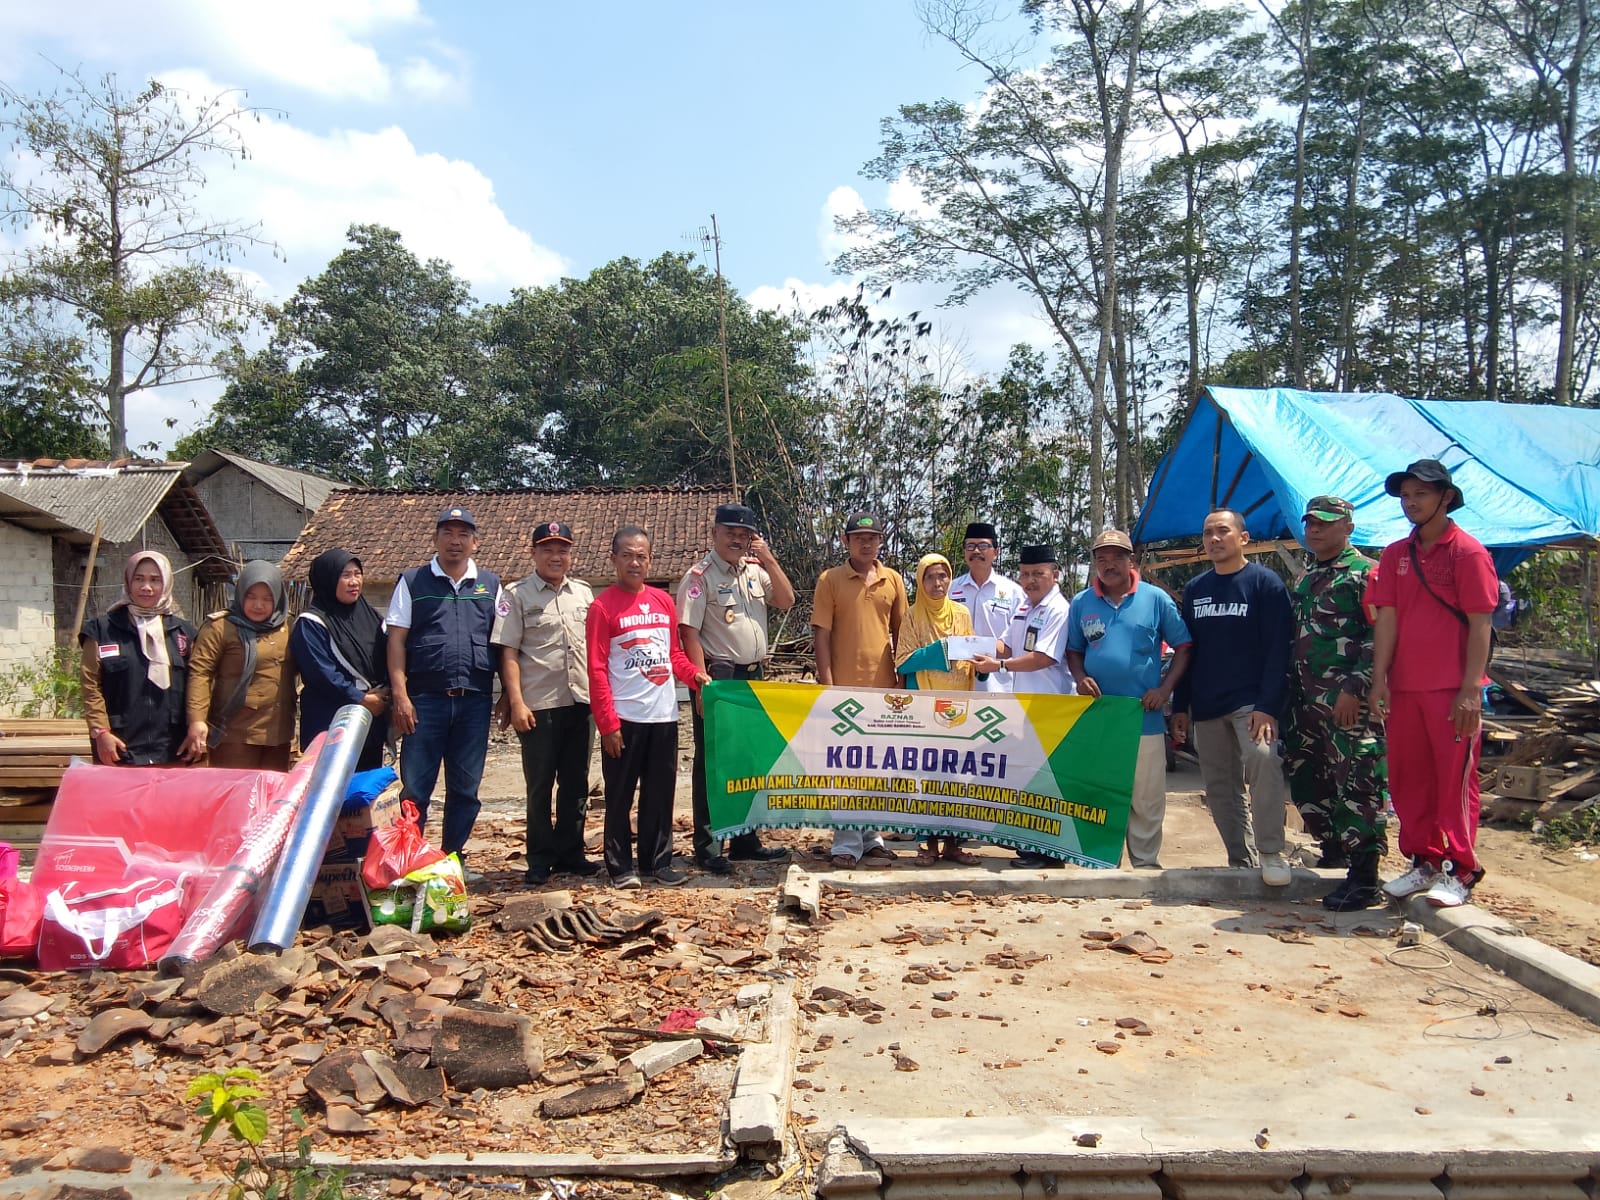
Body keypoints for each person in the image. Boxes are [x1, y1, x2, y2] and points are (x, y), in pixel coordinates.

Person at [1367, 460, 1498, 908]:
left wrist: (1470, 689)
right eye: (1405, 495)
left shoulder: (1468, 552)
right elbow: (1387, 617)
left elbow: (1481, 624)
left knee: (1454, 781)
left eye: (1421, 493)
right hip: (1404, 687)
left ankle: (1461, 869)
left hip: (1449, 689)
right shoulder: (1394, 554)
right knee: (1407, 778)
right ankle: (1424, 860)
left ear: (1446, 496)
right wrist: (1379, 680)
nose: (1411, 502)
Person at [1170, 509, 1294, 885]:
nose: (1214, 539)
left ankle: (1271, 853)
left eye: (1223, 531)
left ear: (1243, 537)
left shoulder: (1265, 584)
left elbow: (1279, 651)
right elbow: (1188, 651)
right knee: (1220, 784)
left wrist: (1268, 707)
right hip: (1207, 706)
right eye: (1208, 532)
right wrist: (1181, 707)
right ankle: (1240, 860)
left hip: (1251, 704)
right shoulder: (1195, 590)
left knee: (1262, 760)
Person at [587, 526, 710, 889]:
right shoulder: (602, 607)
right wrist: (608, 724)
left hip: (663, 716)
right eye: (627, 555)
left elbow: (673, 654)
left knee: (659, 794)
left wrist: (694, 676)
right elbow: (596, 668)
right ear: (614, 560)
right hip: (625, 718)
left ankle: (658, 862)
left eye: (641, 555)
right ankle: (620, 866)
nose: (635, 562)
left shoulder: (662, 601)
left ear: (650, 560)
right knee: (619, 797)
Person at [1284, 496, 1390, 911]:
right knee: (1310, 781)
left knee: (1357, 785)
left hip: (1348, 702)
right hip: (1305, 702)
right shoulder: (1308, 576)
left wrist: (1356, 687)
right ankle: (1335, 856)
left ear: (1347, 527)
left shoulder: (1366, 574)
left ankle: (1365, 878)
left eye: (1325, 524)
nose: (1315, 530)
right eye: (1310, 523)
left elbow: (1380, 636)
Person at [677, 503, 795, 875]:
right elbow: (688, 631)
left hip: (754, 678)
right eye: (730, 533)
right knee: (714, 763)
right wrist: (698, 682)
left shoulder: (755, 572)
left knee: (750, 762)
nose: (738, 540)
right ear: (714, 534)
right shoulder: (700, 577)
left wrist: (769, 559)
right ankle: (709, 844)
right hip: (720, 678)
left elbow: (787, 600)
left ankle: (746, 840)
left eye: (744, 535)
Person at [1065, 530, 1192, 869]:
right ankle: (1100, 860)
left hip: (1143, 715)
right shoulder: (1081, 603)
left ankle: (1146, 863)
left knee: (1146, 796)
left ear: (1130, 560)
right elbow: (1073, 652)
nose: (1109, 565)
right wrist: (1080, 678)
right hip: (1099, 716)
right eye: (1101, 559)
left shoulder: (1155, 599)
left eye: (1116, 557)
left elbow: (1183, 648)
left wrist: (1165, 690)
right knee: (1098, 792)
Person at [387, 506, 502, 881]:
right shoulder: (413, 582)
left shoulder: (490, 585)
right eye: (448, 533)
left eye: (463, 534)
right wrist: (401, 696)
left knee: (465, 788)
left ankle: (453, 859)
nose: (456, 541)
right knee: (416, 787)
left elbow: (502, 643)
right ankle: (409, 861)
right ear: (435, 538)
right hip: (425, 702)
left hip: (475, 700)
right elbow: (397, 641)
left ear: (475, 542)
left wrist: (505, 694)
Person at [493, 520, 600, 885]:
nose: (556, 556)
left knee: (576, 782)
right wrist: (517, 702)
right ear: (534, 553)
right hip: (539, 704)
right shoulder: (517, 595)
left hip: (580, 701)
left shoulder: (584, 594)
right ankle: (539, 856)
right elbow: (508, 653)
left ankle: (571, 852)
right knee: (539, 784)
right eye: (548, 549)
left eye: (563, 550)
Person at [812, 512, 908, 869]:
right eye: (859, 537)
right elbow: (821, 632)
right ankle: (847, 843)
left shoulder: (893, 580)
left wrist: (902, 680)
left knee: (878, 767)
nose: (866, 543)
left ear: (881, 541)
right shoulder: (831, 580)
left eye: (873, 537)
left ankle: (872, 838)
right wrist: (827, 682)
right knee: (846, 766)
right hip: (844, 690)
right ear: (845, 540)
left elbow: (902, 634)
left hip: (884, 690)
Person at [973, 544, 1076, 867]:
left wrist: (999, 668)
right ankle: (1034, 846)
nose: (1031, 581)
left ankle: (1050, 853)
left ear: (1054, 575)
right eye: (1026, 574)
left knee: (1046, 780)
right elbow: (1007, 645)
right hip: (1025, 708)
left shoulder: (1058, 609)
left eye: (1038, 574)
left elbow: (1044, 657)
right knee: (1031, 777)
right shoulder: (1024, 608)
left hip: (1051, 707)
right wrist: (965, 645)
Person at [895, 552, 979, 865]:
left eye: (943, 575)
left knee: (957, 773)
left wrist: (980, 664)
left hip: (959, 703)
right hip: (926, 702)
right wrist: (939, 651)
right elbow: (902, 660)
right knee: (927, 773)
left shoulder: (961, 614)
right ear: (920, 581)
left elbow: (972, 653)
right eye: (930, 577)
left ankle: (954, 844)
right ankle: (928, 843)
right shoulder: (913, 616)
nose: (938, 583)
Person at [80, 550, 199, 767]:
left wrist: (196, 726)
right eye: (139, 579)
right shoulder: (102, 629)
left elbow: (199, 686)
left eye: (155, 580)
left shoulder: (184, 633)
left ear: (166, 584)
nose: (146, 587)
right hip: (119, 747)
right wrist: (101, 732)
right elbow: (90, 685)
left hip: (172, 748)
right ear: (128, 581)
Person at [180, 561, 296, 770]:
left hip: (277, 734)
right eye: (251, 597)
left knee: (271, 798)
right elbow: (200, 674)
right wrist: (197, 720)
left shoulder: (289, 626)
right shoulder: (221, 627)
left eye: (267, 598)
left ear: (278, 598)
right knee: (236, 796)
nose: (258, 605)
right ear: (240, 594)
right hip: (234, 734)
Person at [291, 548, 391, 771]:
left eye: (357, 574)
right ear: (327, 579)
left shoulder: (371, 617)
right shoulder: (311, 623)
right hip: (330, 724)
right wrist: (360, 699)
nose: (354, 582)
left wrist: (384, 692)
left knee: (363, 790)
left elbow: (386, 655)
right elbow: (321, 674)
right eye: (345, 575)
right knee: (331, 794)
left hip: (369, 722)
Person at [949, 522, 1025, 692]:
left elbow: (1017, 642)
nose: (976, 551)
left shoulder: (1014, 593)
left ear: (996, 552)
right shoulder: (950, 590)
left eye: (983, 545)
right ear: (964, 551)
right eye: (970, 546)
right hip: (956, 684)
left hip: (999, 686)